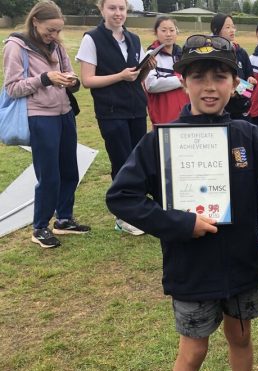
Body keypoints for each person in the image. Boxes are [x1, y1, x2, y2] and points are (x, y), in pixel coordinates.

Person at [106, 34, 258, 371]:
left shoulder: (247, 135)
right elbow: (121, 197)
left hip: (241, 265)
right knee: (194, 351)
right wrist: (180, 224)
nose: (209, 87)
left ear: (235, 84)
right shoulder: (160, 142)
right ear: (183, 81)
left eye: (220, 77)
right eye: (198, 77)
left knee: (241, 336)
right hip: (192, 269)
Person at [3, 0, 90, 249]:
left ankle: (64, 220)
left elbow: (68, 73)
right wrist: (45, 78)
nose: (54, 35)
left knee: (69, 170)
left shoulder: (58, 46)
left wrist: (71, 81)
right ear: (35, 22)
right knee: (49, 174)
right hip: (39, 116)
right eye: (50, 30)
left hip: (64, 113)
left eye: (58, 30)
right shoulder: (15, 46)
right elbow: (12, 88)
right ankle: (40, 227)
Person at [76, 0, 155, 235]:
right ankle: (123, 216)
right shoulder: (91, 38)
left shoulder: (133, 39)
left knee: (138, 160)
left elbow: (137, 77)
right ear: (101, 9)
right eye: (112, 8)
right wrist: (120, 76)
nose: (118, 13)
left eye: (121, 8)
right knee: (121, 162)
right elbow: (88, 80)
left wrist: (147, 68)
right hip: (111, 111)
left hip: (136, 109)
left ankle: (138, 207)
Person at [210, 13, 257, 120]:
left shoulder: (241, 53)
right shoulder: (211, 54)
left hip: (241, 113)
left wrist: (249, 83)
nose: (232, 30)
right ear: (216, 30)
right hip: (220, 113)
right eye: (227, 27)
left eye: (233, 26)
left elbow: (250, 88)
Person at [144, 16, 189, 125]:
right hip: (163, 115)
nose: (168, 34)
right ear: (156, 32)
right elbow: (151, 85)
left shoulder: (183, 55)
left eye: (172, 30)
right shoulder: (151, 55)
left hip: (185, 113)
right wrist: (181, 79)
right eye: (164, 30)